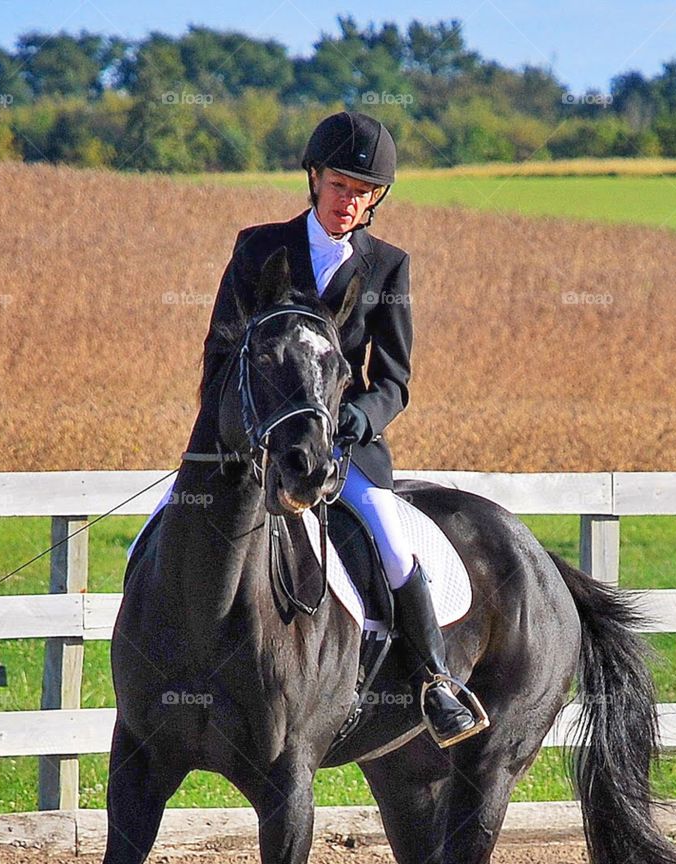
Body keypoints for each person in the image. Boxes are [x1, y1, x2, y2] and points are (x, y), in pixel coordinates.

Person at [195, 111, 486, 748]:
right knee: (169, 522)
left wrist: (359, 416)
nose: (350, 202)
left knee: (388, 535)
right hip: (251, 445)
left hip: (344, 451)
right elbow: (220, 351)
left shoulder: (387, 268)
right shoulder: (258, 250)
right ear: (314, 178)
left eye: (364, 191)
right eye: (340, 186)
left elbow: (394, 380)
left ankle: (435, 681)